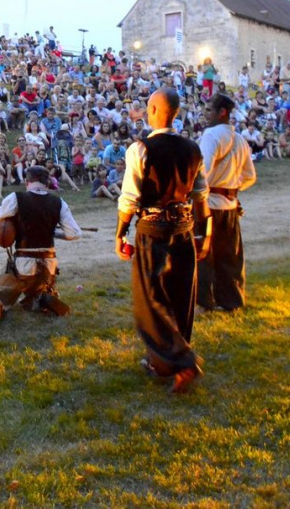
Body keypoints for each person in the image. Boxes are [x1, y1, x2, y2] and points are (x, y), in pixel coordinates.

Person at [115, 88, 210, 394]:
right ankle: (163, 363)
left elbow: (129, 197)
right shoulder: (192, 149)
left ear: (154, 109)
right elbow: (200, 196)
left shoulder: (140, 149)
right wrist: (203, 235)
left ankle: (183, 360)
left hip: (153, 230)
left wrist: (120, 233)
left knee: (150, 300)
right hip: (184, 228)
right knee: (180, 297)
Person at [0, 165, 82, 325]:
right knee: (31, 296)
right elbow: (75, 233)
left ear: (27, 182)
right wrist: (53, 232)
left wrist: (9, 225)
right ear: (47, 184)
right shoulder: (59, 202)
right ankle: (41, 298)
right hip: (48, 266)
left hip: (22, 266)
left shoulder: (16, 198)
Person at [197, 94, 257, 313]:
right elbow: (250, 176)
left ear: (222, 112)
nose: (205, 114)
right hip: (230, 206)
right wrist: (231, 190)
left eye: (209, 110)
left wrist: (197, 197)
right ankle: (231, 302)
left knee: (203, 255)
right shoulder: (240, 139)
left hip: (209, 206)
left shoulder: (211, 135)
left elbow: (202, 172)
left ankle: (204, 302)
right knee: (229, 257)